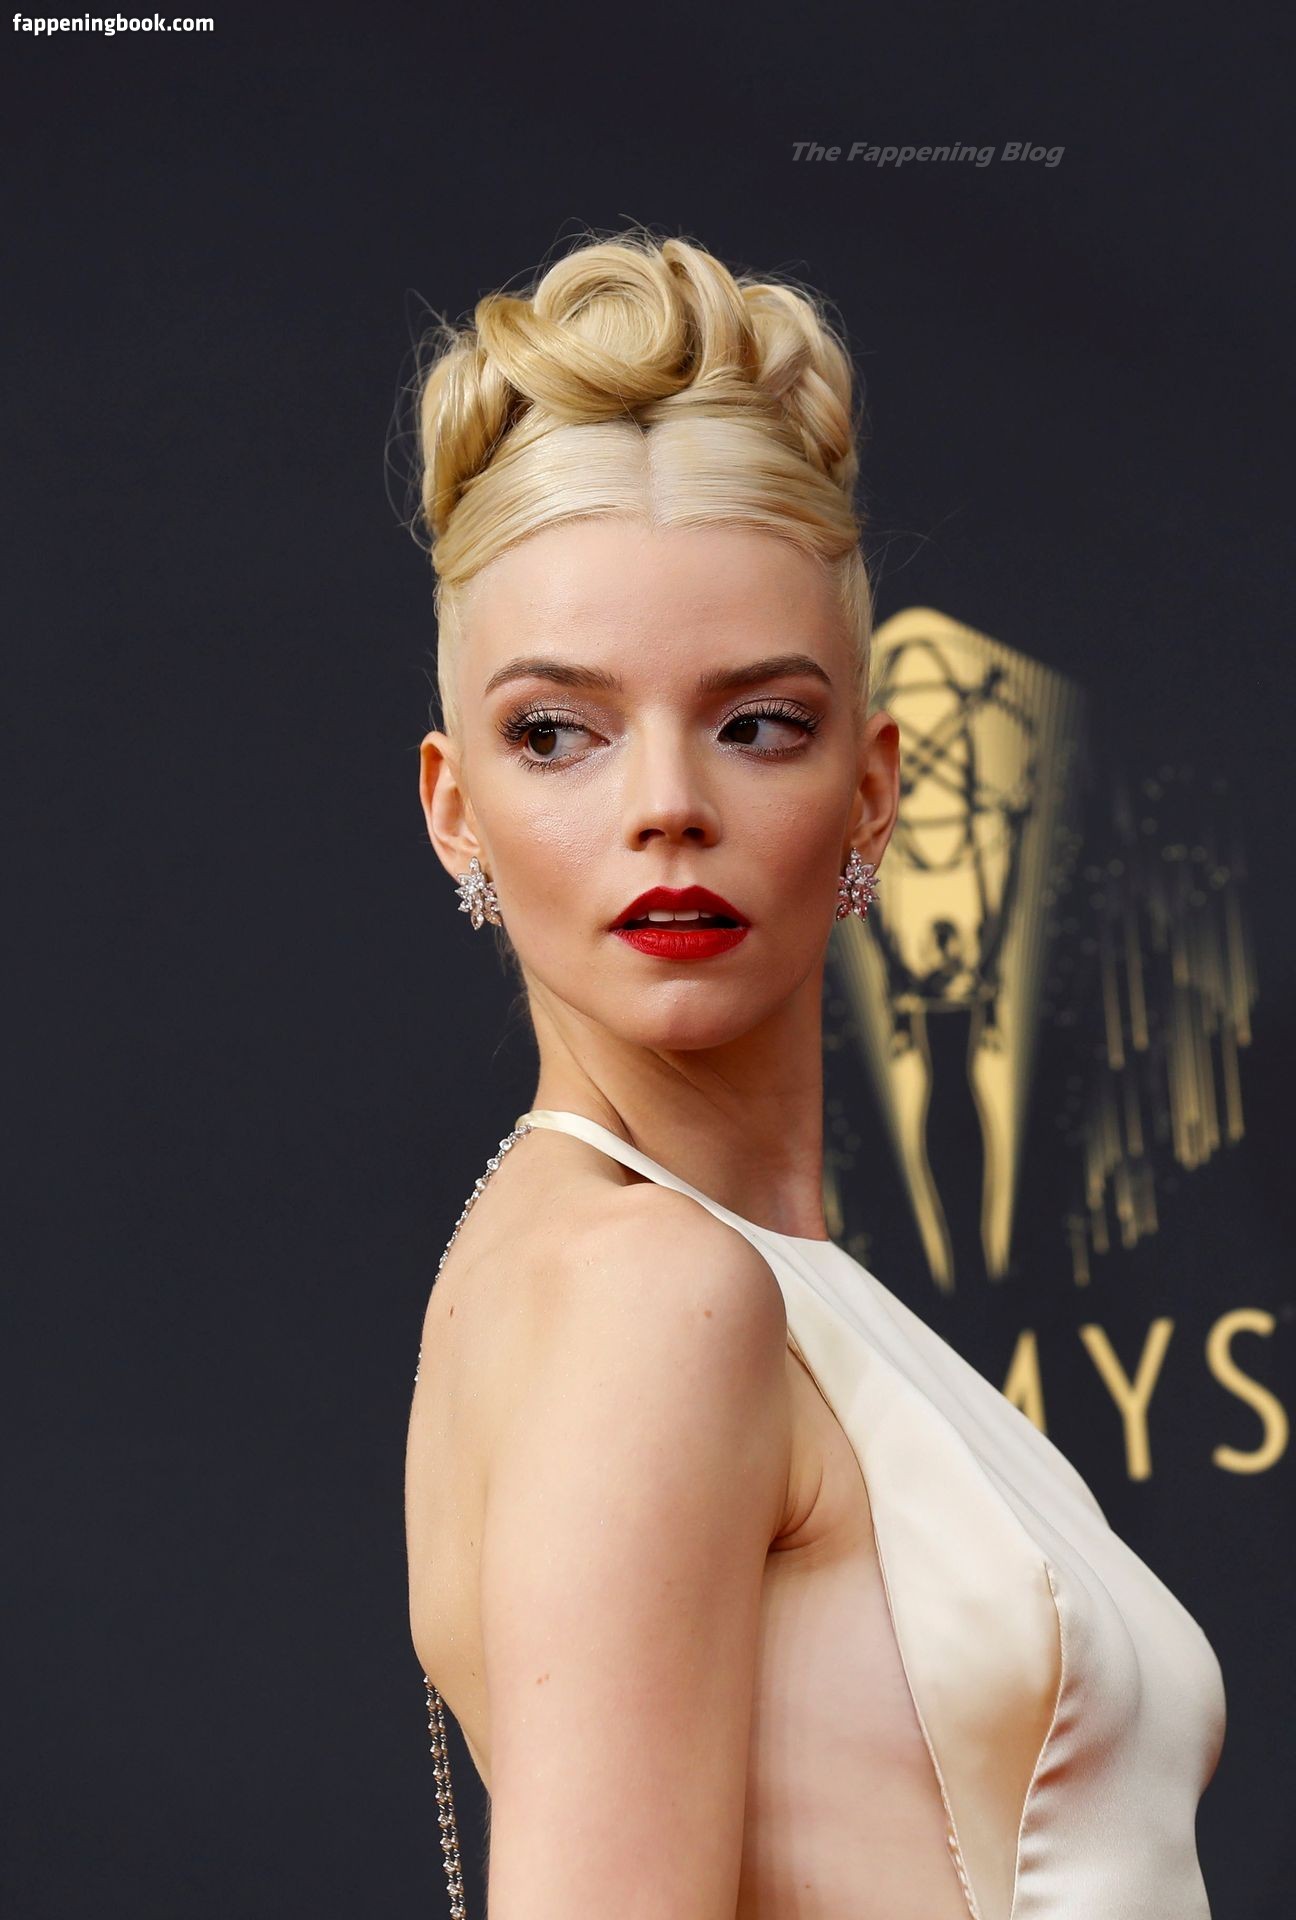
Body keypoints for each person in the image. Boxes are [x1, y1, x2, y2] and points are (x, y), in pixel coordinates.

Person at [402, 227, 1226, 1920]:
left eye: (757, 722)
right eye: (558, 731)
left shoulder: (710, 1272)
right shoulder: (649, 1290)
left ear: (873, 790)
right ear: (455, 809)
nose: (667, 806)